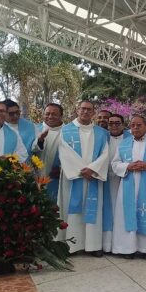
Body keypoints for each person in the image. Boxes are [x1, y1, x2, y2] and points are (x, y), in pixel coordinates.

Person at [56, 101, 110, 255]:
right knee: (72, 210)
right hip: (73, 178)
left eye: (89, 109)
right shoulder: (65, 130)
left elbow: (105, 153)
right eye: (83, 109)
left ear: (93, 112)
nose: (86, 112)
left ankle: (93, 246)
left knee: (93, 210)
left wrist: (92, 170)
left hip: (93, 177)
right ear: (77, 110)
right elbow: (64, 152)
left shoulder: (100, 132)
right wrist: (83, 170)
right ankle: (71, 245)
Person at [110, 115, 146, 258]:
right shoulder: (124, 143)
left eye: (139, 125)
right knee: (126, 215)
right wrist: (128, 166)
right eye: (133, 125)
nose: (136, 128)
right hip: (128, 185)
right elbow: (115, 164)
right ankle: (127, 249)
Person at [103, 114, 131, 253]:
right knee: (107, 211)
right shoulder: (102, 138)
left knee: (121, 211)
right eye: (111, 123)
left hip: (124, 179)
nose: (114, 126)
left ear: (123, 124)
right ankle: (106, 245)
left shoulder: (131, 138)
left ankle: (122, 245)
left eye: (117, 123)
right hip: (105, 179)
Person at [32, 103, 64, 201]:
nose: (50, 116)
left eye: (54, 114)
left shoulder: (68, 132)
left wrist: (63, 170)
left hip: (58, 179)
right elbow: (28, 150)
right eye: (47, 113)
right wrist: (40, 140)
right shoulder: (34, 129)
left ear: (61, 116)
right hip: (36, 176)